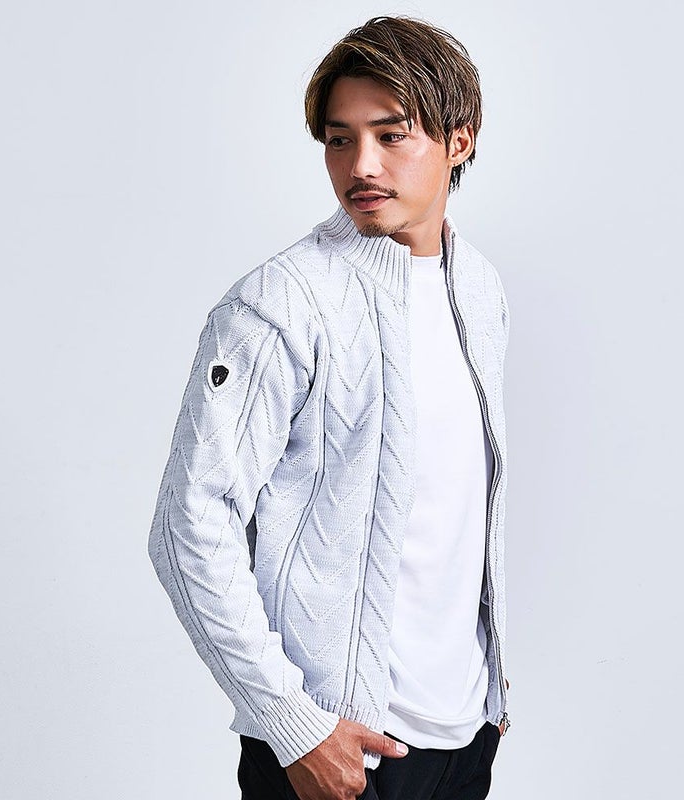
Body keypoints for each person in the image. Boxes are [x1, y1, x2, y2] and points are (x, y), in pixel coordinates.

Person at [147, 15, 512, 800]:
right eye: (340, 140)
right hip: (337, 751)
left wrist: (491, 688)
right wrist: (291, 722)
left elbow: (456, 509)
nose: (361, 165)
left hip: (464, 740)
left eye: (391, 135)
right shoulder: (281, 304)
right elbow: (188, 525)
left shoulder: (479, 289)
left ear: (459, 140)